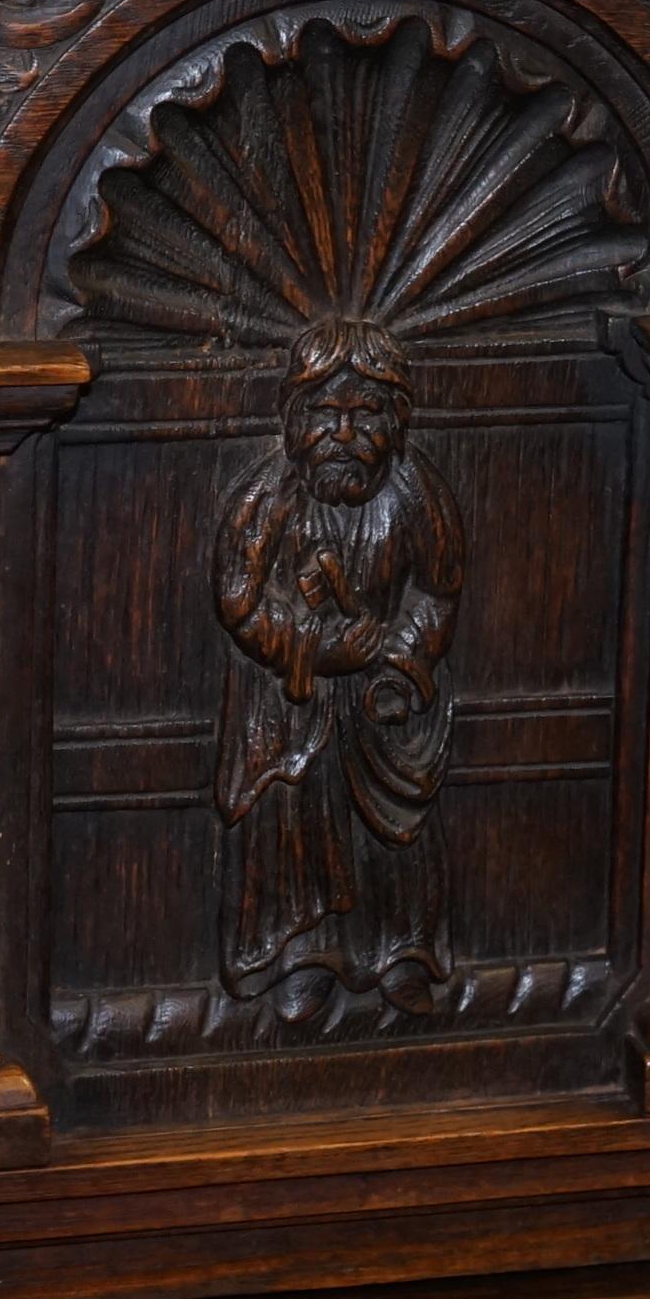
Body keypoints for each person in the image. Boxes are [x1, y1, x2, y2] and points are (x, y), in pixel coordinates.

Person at [212, 316, 464, 1019]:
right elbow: (238, 600)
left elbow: (437, 589)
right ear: (294, 419)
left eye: (364, 415)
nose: (344, 432)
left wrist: (401, 662)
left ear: (396, 419)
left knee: (397, 831)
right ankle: (301, 960)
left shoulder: (416, 493)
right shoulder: (268, 498)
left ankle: (403, 954)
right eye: (326, 412)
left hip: (384, 703)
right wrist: (315, 648)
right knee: (296, 819)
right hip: (290, 705)